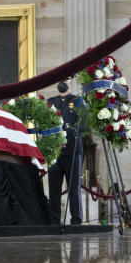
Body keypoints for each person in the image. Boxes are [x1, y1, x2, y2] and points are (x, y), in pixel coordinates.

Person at [47, 81, 83, 225]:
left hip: (72, 149)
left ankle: (76, 220)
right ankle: (54, 221)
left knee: (73, 188)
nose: (63, 82)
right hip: (54, 151)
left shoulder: (78, 101)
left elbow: (83, 122)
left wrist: (70, 130)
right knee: (54, 189)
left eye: (66, 79)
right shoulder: (50, 102)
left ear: (70, 82)